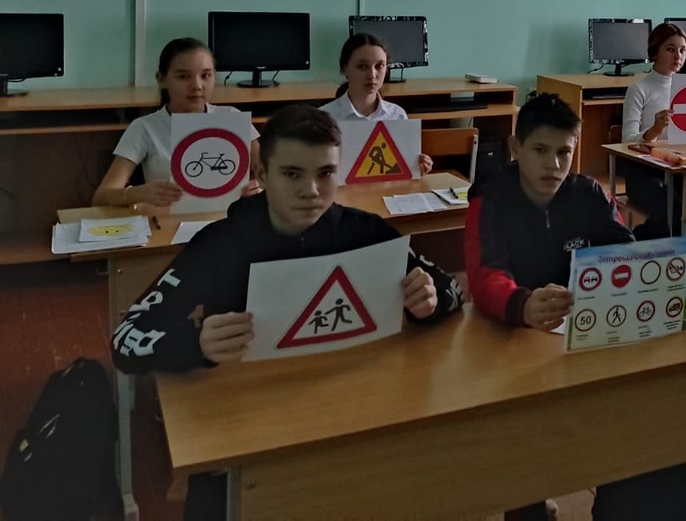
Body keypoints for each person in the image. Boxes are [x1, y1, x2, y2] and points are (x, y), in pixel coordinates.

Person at [112, 104, 462, 520]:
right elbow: (125, 340)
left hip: (347, 419)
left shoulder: (366, 232)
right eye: (292, 174)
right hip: (243, 430)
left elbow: (452, 290)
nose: (311, 190)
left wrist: (429, 303)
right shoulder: (219, 244)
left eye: (325, 173)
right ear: (261, 175)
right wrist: (195, 342)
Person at [465, 93, 686, 521]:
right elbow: (484, 275)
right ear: (515, 148)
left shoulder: (588, 194)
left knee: (625, 409)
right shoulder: (489, 200)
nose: (553, 164)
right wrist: (522, 305)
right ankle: (526, 504)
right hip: (509, 337)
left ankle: (617, 487)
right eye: (540, 150)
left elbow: (626, 256)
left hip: (581, 335)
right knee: (522, 434)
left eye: (564, 152)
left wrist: (676, 276)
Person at [92, 37, 261, 211]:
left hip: (228, 218)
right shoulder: (144, 128)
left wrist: (256, 188)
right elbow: (101, 197)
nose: (197, 86)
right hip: (170, 221)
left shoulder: (232, 117)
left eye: (206, 75)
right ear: (162, 79)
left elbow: (268, 176)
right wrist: (139, 193)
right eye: (183, 77)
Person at [620, 23, 686, 263]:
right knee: (674, 211)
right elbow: (627, 140)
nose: (678, 56)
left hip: (681, 169)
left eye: (682, 50)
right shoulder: (639, 89)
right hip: (645, 172)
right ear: (654, 52)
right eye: (670, 49)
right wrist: (653, 131)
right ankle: (648, 247)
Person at [320, 33, 433, 175]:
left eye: (380, 66)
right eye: (362, 66)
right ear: (345, 69)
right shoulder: (323, 119)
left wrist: (416, 165)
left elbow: (399, 168)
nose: (372, 75)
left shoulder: (397, 115)